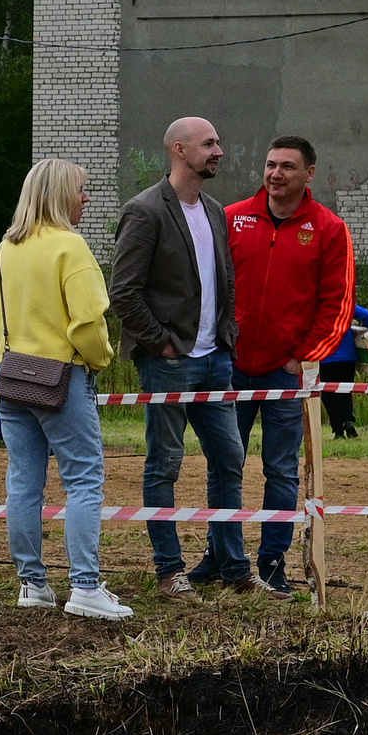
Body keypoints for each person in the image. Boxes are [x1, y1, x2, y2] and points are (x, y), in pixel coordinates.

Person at [110, 115, 249, 595]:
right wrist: (163, 344)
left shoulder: (214, 210)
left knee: (229, 459)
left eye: (218, 141)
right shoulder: (144, 211)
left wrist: (225, 335)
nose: (218, 151)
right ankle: (169, 570)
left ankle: (234, 568)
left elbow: (224, 281)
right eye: (208, 143)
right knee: (164, 463)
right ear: (178, 149)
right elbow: (123, 293)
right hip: (170, 361)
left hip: (216, 360)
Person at [0, 159, 123, 619]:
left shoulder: (6, 249)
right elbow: (87, 322)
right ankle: (84, 587)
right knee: (83, 481)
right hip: (62, 378)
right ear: (60, 194)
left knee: (24, 482)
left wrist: (6, 356)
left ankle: (33, 584)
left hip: (11, 376)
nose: (87, 197)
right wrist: (100, 359)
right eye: (81, 190)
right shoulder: (71, 247)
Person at [225, 136, 355, 597]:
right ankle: (223, 558)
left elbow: (337, 302)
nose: (275, 174)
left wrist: (305, 355)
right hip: (230, 368)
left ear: (309, 174)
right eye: (270, 164)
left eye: (287, 166)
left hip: (287, 374)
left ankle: (273, 561)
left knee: (280, 470)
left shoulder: (329, 228)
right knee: (226, 464)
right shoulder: (232, 217)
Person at [319, 303, 368, 441]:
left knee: (329, 395)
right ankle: (348, 420)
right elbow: (367, 315)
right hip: (348, 356)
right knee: (346, 390)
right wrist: (365, 331)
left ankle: (338, 430)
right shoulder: (345, 303)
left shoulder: (318, 305)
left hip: (327, 357)